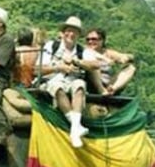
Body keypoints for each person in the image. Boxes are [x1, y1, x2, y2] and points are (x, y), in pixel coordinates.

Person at [37, 16, 99, 147]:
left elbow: (95, 65)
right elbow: (37, 69)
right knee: (57, 86)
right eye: (68, 30)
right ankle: (76, 126)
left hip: (72, 81)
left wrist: (76, 61)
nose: (70, 34)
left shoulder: (82, 51)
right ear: (63, 32)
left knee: (80, 85)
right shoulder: (51, 46)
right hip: (51, 80)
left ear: (78, 35)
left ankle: (74, 130)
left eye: (74, 31)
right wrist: (59, 67)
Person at [84, 27, 137, 96]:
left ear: (102, 40)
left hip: (107, 84)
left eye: (94, 39)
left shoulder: (108, 53)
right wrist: (104, 59)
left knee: (131, 68)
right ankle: (102, 90)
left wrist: (125, 58)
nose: (90, 42)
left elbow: (129, 56)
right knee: (94, 64)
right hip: (92, 84)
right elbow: (90, 54)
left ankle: (113, 89)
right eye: (88, 39)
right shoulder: (85, 51)